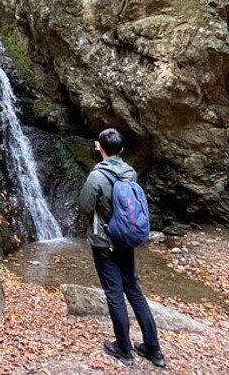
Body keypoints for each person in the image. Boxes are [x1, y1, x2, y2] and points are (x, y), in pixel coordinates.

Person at [77, 128, 166, 368]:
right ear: (122, 149)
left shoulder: (97, 177)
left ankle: (124, 349)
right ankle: (154, 349)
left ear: (99, 148)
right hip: (126, 239)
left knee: (114, 293)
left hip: (104, 241)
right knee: (133, 290)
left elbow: (85, 206)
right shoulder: (130, 173)